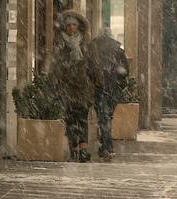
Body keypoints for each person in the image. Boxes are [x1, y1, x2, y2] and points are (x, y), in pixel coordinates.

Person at [49, 10, 103, 162]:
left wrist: (98, 83)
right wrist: (53, 84)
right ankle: (74, 149)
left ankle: (83, 149)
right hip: (66, 89)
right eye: (68, 25)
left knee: (82, 119)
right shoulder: (61, 46)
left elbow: (94, 64)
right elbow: (55, 67)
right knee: (70, 120)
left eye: (74, 25)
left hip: (83, 88)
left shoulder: (87, 44)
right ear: (65, 27)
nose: (71, 28)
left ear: (79, 27)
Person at [91, 26, 129, 161]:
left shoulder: (93, 47)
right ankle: (107, 147)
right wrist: (120, 86)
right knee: (107, 117)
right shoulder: (117, 50)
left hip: (99, 87)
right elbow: (125, 71)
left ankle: (106, 147)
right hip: (113, 88)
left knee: (103, 118)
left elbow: (89, 68)